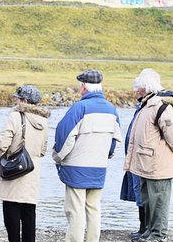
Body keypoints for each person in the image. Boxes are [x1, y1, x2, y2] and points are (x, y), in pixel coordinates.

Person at [52, 70, 122, 242]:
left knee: (75, 210)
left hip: (76, 167)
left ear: (83, 86)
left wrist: (58, 157)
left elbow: (64, 136)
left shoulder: (79, 108)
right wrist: (106, 156)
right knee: (94, 208)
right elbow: (116, 141)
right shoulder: (112, 110)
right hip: (98, 167)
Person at [0, 85, 50, 242]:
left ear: (24, 100)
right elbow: (43, 149)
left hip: (13, 170)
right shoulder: (44, 121)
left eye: (18, 98)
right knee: (29, 215)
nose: (16, 100)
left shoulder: (15, 117)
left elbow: (2, 144)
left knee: (11, 217)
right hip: (32, 170)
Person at [124, 68, 173, 242]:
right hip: (145, 164)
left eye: (139, 86)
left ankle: (158, 235)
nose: (136, 90)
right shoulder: (146, 104)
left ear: (146, 87)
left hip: (158, 165)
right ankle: (150, 232)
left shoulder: (160, 106)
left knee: (159, 202)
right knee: (149, 202)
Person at [120, 78, 146, 239]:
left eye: (136, 89)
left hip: (143, 159)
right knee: (140, 195)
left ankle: (145, 228)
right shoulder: (142, 106)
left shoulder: (148, 106)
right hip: (136, 158)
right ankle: (143, 228)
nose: (134, 92)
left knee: (143, 195)